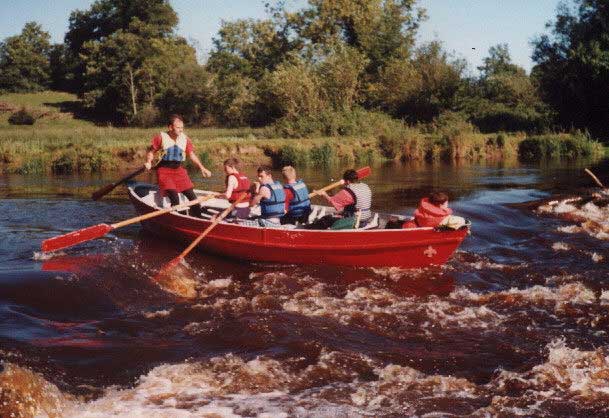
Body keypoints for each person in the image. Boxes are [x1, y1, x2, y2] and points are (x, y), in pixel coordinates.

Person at [144, 114, 211, 217]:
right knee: (175, 198)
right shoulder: (160, 137)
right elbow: (151, 152)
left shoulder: (185, 139)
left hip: (179, 171)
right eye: (178, 128)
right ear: (170, 127)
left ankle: (198, 218)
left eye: (182, 128)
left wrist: (202, 168)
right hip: (164, 171)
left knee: (193, 199)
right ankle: (174, 218)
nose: (181, 130)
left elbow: (191, 155)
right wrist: (148, 162)